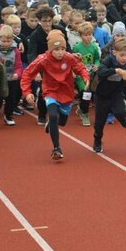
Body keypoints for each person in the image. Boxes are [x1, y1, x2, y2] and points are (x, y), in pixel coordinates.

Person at [21, 30, 90, 161]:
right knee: (53, 115)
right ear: (50, 49)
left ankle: (52, 124)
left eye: (63, 49)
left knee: (62, 122)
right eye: (56, 49)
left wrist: (86, 78)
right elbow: (27, 74)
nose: (60, 52)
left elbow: (80, 68)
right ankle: (56, 149)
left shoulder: (69, 58)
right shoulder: (43, 59)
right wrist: (27, 92)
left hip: (67, 93)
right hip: (50, 91)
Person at [92, 38, 126, 153]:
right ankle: (97, 140)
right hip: (102, 94)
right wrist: (116, 70)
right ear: (114, 52)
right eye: (121, 55)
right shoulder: (108, 60)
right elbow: (101, 72)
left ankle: (123, 118)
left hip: (116, 93)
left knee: (120, 112)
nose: (124, 58)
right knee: (100, 121)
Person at [0, 25, 23, 126]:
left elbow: (18, 65)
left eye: (8, 42)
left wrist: (17, 74)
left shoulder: (16, 52)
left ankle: (8, 116)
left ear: (12, 40)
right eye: (4, 41)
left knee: (10, 99)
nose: (6, 44)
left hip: (11, 79)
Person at [72, 22, 101, 126]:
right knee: (86, 92)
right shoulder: (77, 47)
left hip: (91, 74)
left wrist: (96, 65)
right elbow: (73, 61)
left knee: (89, 95)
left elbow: (97, 58)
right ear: (81, 36)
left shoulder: (94, 47)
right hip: (80, 76)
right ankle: (85, 115)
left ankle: (81, 108)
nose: (88, 37)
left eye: (90, 34)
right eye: (85, 35)